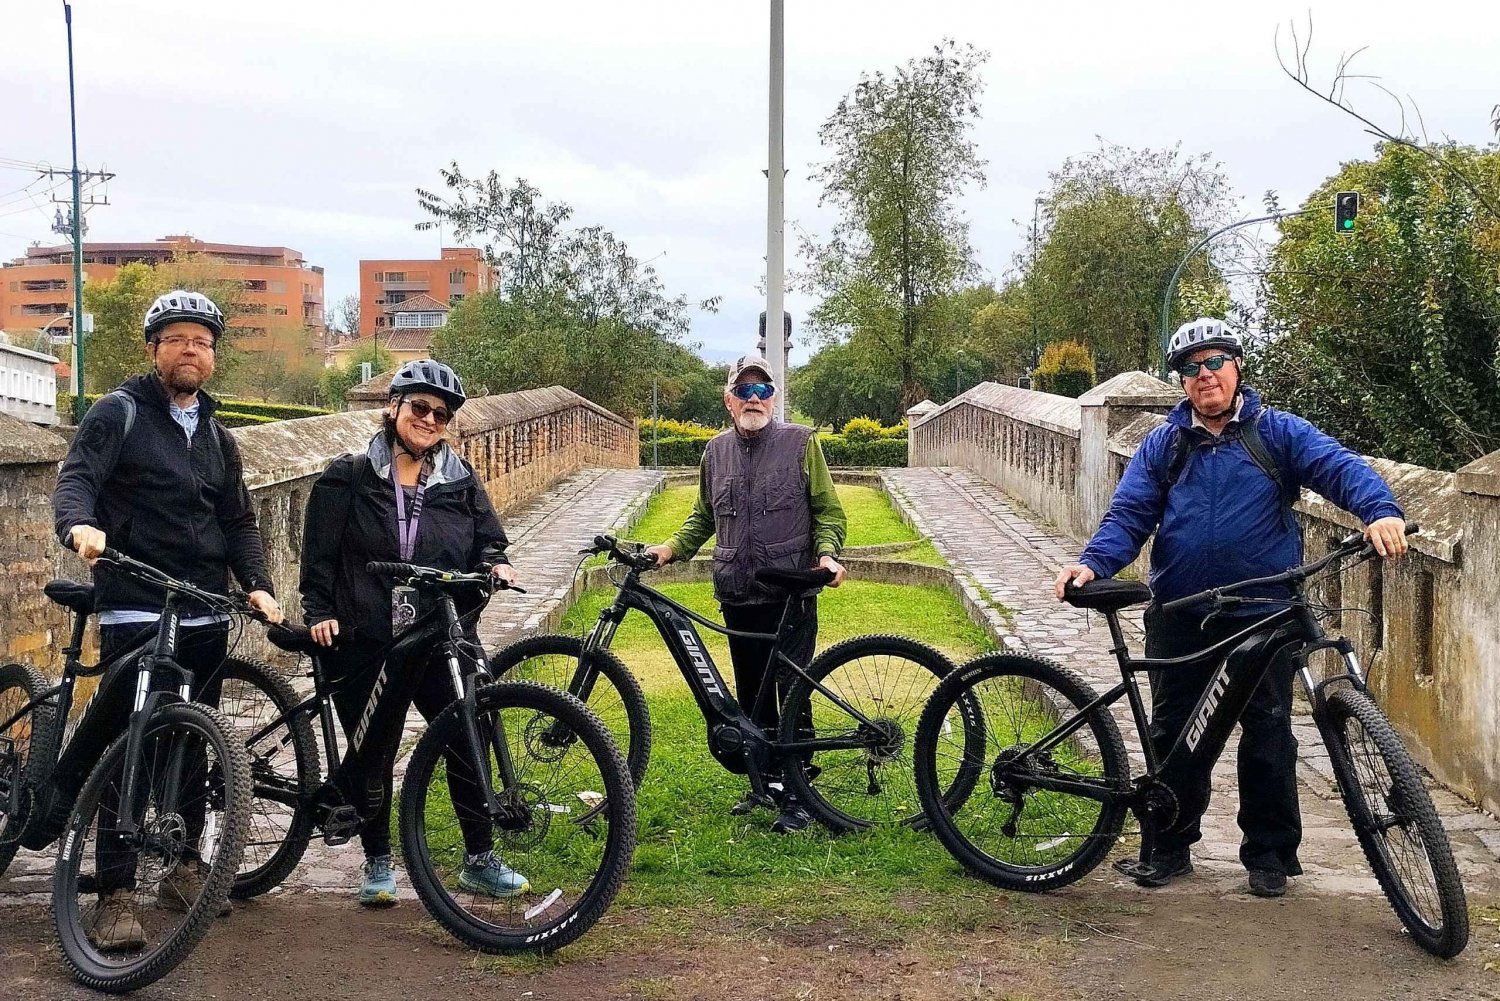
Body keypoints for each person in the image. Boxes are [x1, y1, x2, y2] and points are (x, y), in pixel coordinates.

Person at [1054, 318, 1409, 897]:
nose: (1205, 376)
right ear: (1182, 382)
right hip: (1182, 611)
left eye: (1215, 362)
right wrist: (1093, 563)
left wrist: (1380, 510)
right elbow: (1131, 513)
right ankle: (1167, 846)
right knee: (1174, 730)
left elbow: (1338, 466)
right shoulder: (1165, 445)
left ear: (1237, 367)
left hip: (1263, 611)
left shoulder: (1277, 433)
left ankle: (1269, 856)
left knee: (1268, 730)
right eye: (1191, 369)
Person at [53, 289, 284, 949]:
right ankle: (116, 891)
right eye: (179, 339)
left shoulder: (216, 436)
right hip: (136, 597)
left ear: (213, 356)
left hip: (205, 608)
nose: (192, 350)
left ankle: (184, 867)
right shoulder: (119, 413)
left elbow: (238, 521)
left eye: (203, 341)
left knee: (191, 738)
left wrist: (260, 587)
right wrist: (81, 527)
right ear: (154, 349)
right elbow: (76, 481)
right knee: (131, 740)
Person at [299, 359, 528, 906]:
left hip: (440, 636)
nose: (429, 420)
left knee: (465, 741)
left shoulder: (461, 480)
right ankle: (377, 863)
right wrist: (318, 610)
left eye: (441, 415)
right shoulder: (349, 476)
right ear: (393, 409)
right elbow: (319, 554)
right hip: (366, 635)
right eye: (419, 408)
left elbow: (489, 539)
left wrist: (496, 562)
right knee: (372, 751)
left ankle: (479, 858)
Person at [645, 353, 847, 834]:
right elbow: (704, 517)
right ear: (729, 400)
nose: (753, 399)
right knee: (752, 693)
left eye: (762, 391)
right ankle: (766, 782)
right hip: (738, 590)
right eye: (744, 391)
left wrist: (827, 555)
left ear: (773, 398)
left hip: (790, 591)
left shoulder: (801, 444)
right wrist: (670, 549)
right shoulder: (715, 453)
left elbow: (829, 511)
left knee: (792, 691)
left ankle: (799, 791)